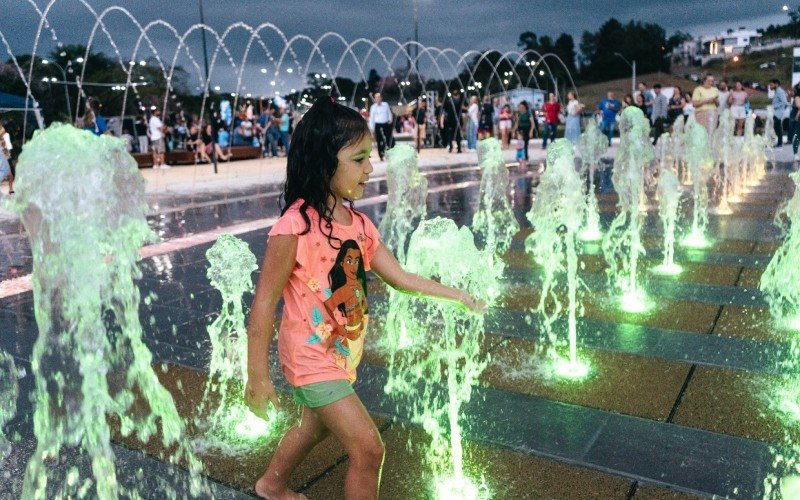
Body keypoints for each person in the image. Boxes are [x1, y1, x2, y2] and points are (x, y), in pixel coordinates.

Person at [244, 97, 484, 499]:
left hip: (341, 353)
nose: (370, 169)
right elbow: (265, 302)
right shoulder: (294, 226)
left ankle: (272, 484)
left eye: (369, 157)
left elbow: (401, 278)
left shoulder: (360, 225)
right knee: (369, 448)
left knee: (312, 428)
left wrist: (457, 295)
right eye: (358, 159)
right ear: (324, 163)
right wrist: (257, 375)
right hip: (310, 356)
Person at [368, 92, 393, 161]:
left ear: (381, 98)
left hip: (386, 124)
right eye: (376, 97)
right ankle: (381, 155)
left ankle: (389, 154)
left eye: (379, 97)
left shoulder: (385, 104)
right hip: (378, 125)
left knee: (388, 140)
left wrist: (390, 118)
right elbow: (371, 118)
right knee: (379, 141)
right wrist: (371, 128)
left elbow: (389, 113)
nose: (378, 99)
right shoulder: (373, 107)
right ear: (374, 99)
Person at [769, 78, 789, 147]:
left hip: (778, 113)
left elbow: (784, 102)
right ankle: (779, 142)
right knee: (776, 127)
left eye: (771, 85)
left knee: (778, 128)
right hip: (777, 112)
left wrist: (775, 106)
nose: (770, 87)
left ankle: (780, 143)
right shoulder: (777, 91)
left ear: (776, 84)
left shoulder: (780, 91)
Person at [0, 124, 13, 195]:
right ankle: (11, 190)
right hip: (5, 156)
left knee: (8, 174)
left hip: (4, 156)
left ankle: (11, 190)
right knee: (9, 174)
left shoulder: (5, 135)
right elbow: (9, 146)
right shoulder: (6, 135)